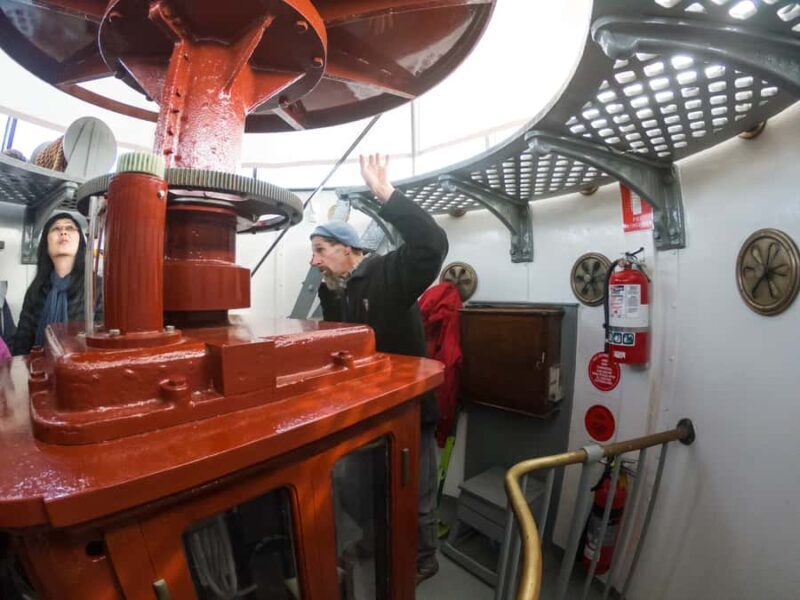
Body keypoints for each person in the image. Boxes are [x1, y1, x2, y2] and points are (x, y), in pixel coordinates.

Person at [310, 154, 448, 584]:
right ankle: (373, 536)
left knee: (417, 492)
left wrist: (385, 193)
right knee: (354, 485)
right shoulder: (337, 290)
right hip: (365, 410)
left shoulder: (389, 274)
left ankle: (425, 557)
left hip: (409, 410)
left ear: (347, 250)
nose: (314, 261)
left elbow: (431, 244)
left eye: (320, 250)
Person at [13, 212, 98, 355]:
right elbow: (22, 344)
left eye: (70, 228)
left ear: (81, 242)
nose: (63, 232)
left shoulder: (96, 286)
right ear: (46, 243)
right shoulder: (36, 290)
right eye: (56, 229)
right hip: (39, 371)